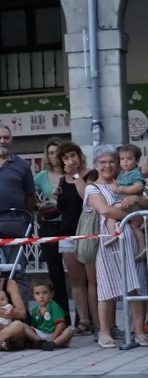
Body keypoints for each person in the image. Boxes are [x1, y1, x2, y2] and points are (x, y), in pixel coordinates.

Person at [83, 145, 148, 349]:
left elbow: (145, 202)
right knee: (107, 287)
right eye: (102, 162)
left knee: (137, 285)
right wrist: (131, 217)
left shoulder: (125, 181)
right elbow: (105, 210)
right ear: (95, 165)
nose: (107, 166)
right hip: (109, 242)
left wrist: (135, 198)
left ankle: (138, 331)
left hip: (133, 242)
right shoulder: (92, 188)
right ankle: (104, 331)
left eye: (111, 161)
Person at [56, 142, 97, 336]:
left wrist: (76, 176)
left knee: (92, 280)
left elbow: (86, 197)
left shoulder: (91, 174)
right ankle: (83, 320)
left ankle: (98, 321)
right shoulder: (62, 180)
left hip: (87, 231)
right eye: (65, 158)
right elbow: (63, 207)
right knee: (76, 279)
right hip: (67, 231)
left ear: (80, 155)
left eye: (73, 155)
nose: (70, 160)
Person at [34, 138, 71, 320]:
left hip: (70, 224)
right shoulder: (42, 176)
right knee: (55, 273)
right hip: (49, 225)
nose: (54, 156)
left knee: (77, 274)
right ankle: (61, 318)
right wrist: (41, 204)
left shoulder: (73, 174)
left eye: (57, 152)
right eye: (50, 153)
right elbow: (29, 196)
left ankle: (84, 320)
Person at [22, 280, 74, 350]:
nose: (41, 296)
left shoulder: (53, 306)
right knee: (24, 326)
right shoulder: (35, 310)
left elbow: (60, 325)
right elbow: (34, 327)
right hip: (41, 335)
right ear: (33, 295)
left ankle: (53, 344)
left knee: (69, 331)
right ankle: (39, 342)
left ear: (51, 294)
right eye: (37, 293)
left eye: (45, 293)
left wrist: (53, 338)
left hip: (55, 334)